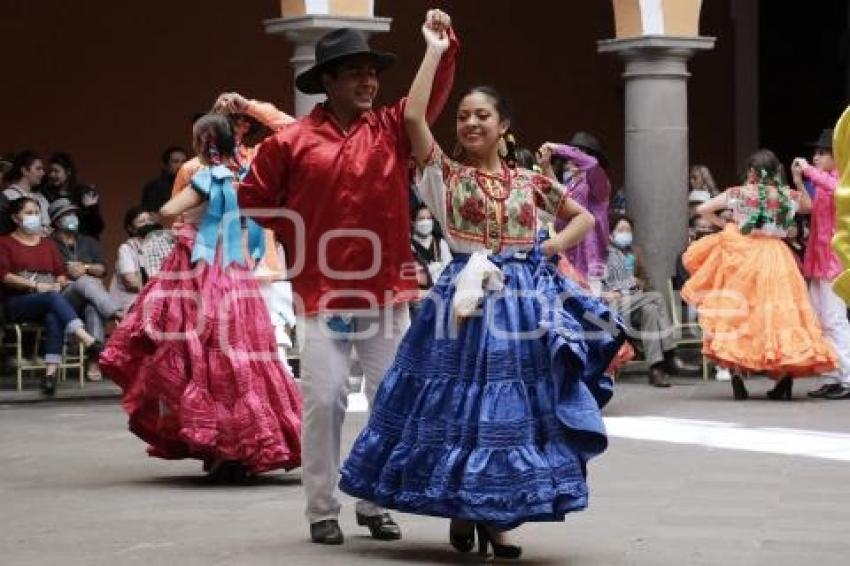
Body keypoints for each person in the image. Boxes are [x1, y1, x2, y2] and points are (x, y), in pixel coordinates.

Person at [338, 18, 623, 559]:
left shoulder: (529, 181)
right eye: (464, 115)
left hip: (519, 301)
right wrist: (433, 51)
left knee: (506, 410)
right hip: (461, 297)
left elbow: (582, 217)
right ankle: (467, 508)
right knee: (455, 406)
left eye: (481, 115)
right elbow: (416, 115)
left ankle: (493, 515)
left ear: (503, 124)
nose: (469, 122)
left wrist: (548, 245)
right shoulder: (445, 174)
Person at [239, 12, 459, 545]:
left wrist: (437, 50)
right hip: (323, 294)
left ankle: (374, 500)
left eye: (372, 72)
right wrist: (299, 240)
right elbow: (253, 198)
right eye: (355, 72)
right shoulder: (290, 143)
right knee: (325, 397)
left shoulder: (391, 129)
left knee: (390, 399)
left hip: (385, 291)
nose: (368, 81)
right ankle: (321, 507)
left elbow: (425, 103)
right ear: (329, 81)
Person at [100, 114, 302, 481]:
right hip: (236, 271)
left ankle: (225, 448)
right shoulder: (243, 175)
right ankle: (240, 447)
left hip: (202, 268)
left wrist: (181, 217)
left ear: (201, 143)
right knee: (239, 353)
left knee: (200, 350)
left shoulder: (208, 177)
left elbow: (166, 211)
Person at [683, 149, 836, 400]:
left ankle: (736, 374)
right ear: (776, 170)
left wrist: (728, 225)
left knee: (739, 314)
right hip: (778, 257)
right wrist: (798, 181)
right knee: (780, 316)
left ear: (752, 172)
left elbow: (704, 209)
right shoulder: (788, 196)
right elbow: (809, 207)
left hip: (745, 256)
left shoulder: (739, 193)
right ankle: (784, 380)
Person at [0, 197, 103, 394]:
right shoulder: (5, 243)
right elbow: (5, 276)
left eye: (36, 213)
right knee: (53, 299)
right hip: (16, 302)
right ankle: (88, 340)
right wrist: (36, 285)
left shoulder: (47, 244)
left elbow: (61, 274)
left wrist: (58, 283)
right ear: (15, 217)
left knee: (54, 314)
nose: (34, 217)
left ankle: (49, 376)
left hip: (47, 300)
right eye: (28, 213)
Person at [602, 215, 698, 387]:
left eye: (628, 230)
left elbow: (646, 280)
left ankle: (656, 368)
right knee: (657, 297)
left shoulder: (634, 253)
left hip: (634, 302)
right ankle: (669, 354)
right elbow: (593, 281)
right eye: (621, 230)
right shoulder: (603, 253)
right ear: (611, 234)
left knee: (651, 311)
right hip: (611, 305)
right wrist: (606, 292)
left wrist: (637, 282)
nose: (626, 234)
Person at [792, 129, 850, 400]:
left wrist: (809, 173)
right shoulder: (823, 180)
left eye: (822, 153)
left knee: (835, 321)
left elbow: (837, 190)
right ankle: (832, 376)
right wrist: (798, 181)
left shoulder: (842, 179)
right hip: (817, 259)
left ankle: (847, 377)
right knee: (822, 321)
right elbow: (811, 208)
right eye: (815, 153)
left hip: (834, 262)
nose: (815, 157)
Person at [49, 198, 121, 380]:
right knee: (83, 282)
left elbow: (102, 269)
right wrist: (67, 276)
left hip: (90, 297)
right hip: (63, 298)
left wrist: (85, 268)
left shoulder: (88, 241)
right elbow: (46, 272)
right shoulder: (48, 244)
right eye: (67, 215)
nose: (73, 217)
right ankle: (118, 314)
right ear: (57, 221)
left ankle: (94, 361)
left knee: (93, 307)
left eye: (74, 214)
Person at [540, 141, 607, 278]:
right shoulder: (572, 183)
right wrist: (546, 166)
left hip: (588, 257)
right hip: (568, 251)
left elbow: (592, 164)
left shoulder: (597, 181)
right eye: (572, 156)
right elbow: (559, 195)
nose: (573, 159)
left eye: (578, 155)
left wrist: (558, 148)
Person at [109, 206, 160, 313]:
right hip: (133, 305)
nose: (147, 224)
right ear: (131, 228)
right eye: (142, 221)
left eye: (149, 220)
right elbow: (130, 281)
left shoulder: (158, 246)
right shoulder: (126, 249)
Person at [43, 152, 104, 239]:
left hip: (83, 245)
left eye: (56, 171)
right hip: (60, 243)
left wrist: (91, 208)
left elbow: (98, 228)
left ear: (68, 171)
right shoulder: (47, 194)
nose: (52, 175)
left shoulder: (83, 193)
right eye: (51, 171)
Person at [409, 203, 452, 315]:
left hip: (441, 296)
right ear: (413, 222)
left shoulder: (440, 244)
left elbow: (449, 272)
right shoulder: (409, 247)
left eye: (429, 218)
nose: (426, 222)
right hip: (419, 301)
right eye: (421, 219)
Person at [2, 151, 50, 230]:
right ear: (24, 170)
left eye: (42, 169)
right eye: (38, 169)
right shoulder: (8, 196)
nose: (43, 173)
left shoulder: (41, 198)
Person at [140, 146, 188, 211]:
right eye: (175, 162)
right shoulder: (153, 187)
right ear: (166, 165)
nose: (180, 165)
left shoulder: (192, 185)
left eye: (184, 162)